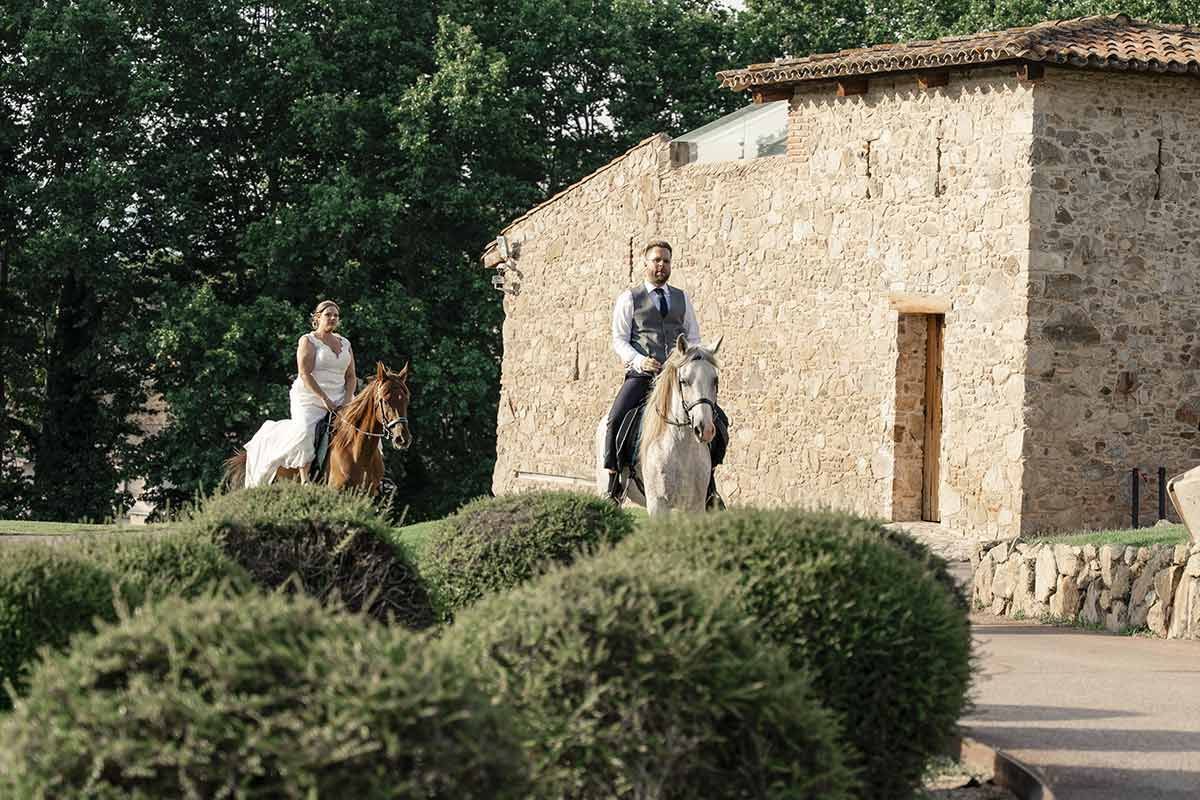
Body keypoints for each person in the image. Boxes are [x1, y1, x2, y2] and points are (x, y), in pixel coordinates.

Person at [603, 239, 726, 507]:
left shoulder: (682, 298)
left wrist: (691, 356)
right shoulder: (629, 298)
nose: (661, 265)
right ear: (645, 264)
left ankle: (710, 488)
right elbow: (619, 339)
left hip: (677, 375)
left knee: (719, 420)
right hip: (644, 375)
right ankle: (614, 485)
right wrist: (638, 361)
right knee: (616, 419)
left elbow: (692, 336)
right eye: (657, 260)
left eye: (666, 261)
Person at [243, 300, 357, 487]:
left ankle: (375, 475)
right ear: (318, 317)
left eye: (336, 315)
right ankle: (305, 478)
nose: (333, 318)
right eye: (328, 315)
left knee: (365, 426)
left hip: (341, 396)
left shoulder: (345, 343)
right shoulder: (308, 340)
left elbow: (351, 376)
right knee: (306, 429)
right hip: (311, 396)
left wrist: (346, 400)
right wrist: (324, 399)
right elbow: (304, 374)